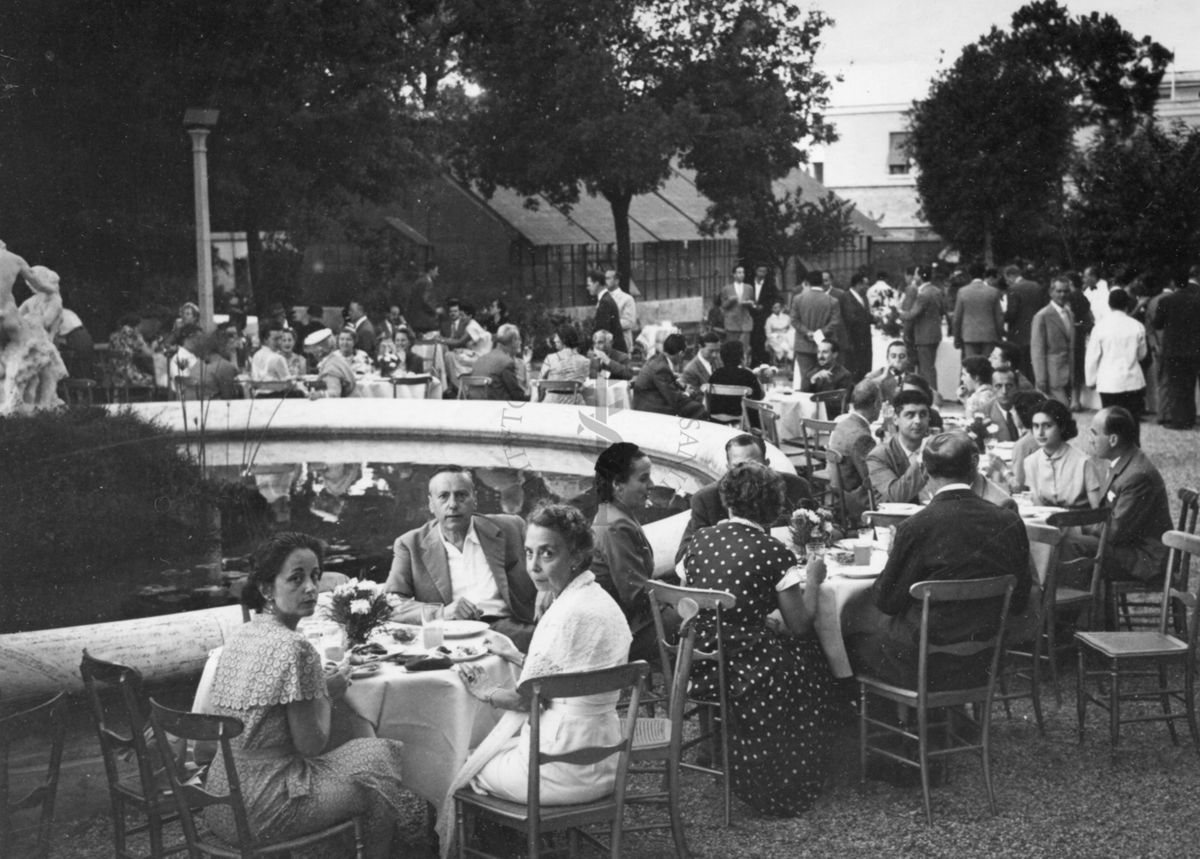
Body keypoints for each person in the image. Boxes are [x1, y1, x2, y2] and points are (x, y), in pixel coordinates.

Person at [439, 503, 631, 852]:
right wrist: (513, 653)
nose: (534, 565)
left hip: (557, 771)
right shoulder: (598, 600)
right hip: (604, 760)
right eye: (529, 552)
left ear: (576, 556)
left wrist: (486, 690)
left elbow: (526, 700)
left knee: (463, 761)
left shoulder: (563, 616)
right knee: (492, 747)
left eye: (548, 553)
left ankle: (498, 845)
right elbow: (568, 673)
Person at [204, 532, 406, 859]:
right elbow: (311, 744)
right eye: (296, 579)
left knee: (355, 745)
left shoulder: (242, 634)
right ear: (267, 589)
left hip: (219, 800)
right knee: (380, 758)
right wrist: (328, 694)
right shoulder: (297, 648)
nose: (311, 588)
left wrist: (317, 690)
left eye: (315, 576)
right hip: (262, 808)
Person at [683, 461, 840, 816]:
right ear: (772, 507)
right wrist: (813, 579)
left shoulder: (701, 539)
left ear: (728, 502)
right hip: (747, 669)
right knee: (811, 657)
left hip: (700, 660)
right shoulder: (772, 551)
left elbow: (692, 592)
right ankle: (794, 768)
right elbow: (799, 625)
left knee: (785, 644)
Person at [849, 432, 1031, 690]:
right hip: (986, 659)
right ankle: (946, 719)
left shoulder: (916, 527)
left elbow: (886, 602)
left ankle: (895, 722)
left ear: (924, 471)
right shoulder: (1009, 521)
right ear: (974, 466)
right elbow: (1020, 599)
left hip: (922, 662)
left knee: (849, 641)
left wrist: (894, 557)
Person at [385, 468, 538, 650]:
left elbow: (547, 560)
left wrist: (546, 590)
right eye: (443, 496)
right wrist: (441, 613)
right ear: (431, 504)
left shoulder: (511, 527)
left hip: (509, 630)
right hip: (450, 638)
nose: (453, 504)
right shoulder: (410, 544)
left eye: (461, 495)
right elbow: (391, 604)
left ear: (475, 499)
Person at [675, 433, 813, 563]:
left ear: (767, 463)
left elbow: (824, 531)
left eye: (753, 465)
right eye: (738, 466)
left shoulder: (796, 487)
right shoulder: (707, 499)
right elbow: (683, 555)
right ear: (727, 468)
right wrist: (718, 538)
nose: (746, 474)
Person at [590, 443, 665, 664]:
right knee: (705, 624)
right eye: (643, 479)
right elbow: (634, 595)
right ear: (617, 484)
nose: (651, 485)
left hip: (625, 619)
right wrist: (679, 598)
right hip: (625, 630)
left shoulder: (612, 513)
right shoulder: (614, 525)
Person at [1088, 407, 1173, 584]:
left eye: (1094, 434)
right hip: (1130, 549)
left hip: (1145, 559)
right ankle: (1092, 610)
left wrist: (1079, 525)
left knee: (1072, 545)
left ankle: (1078, 609)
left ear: (1113, 440)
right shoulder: (1125, 461)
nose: (1090, 440)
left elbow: (1114, 532)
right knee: (1074, 543)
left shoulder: (1136, 475)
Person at [1085, 288, 1147, 426]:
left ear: (1109, 304)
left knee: (1111, 422)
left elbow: (1092, 358)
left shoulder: (1100, 327)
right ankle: (1133, 446)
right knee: (1132, 421)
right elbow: (1142, 355)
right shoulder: (1137, 326)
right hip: (1133, 381)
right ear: (1127, 304)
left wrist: (1091, 380)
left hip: (1109, 382)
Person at [1025, 399, 1101, 510]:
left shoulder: (1083, 462)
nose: (1040, 433)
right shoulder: (1030, 462)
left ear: (1062, 427)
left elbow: (1097, 509)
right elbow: (1037, 505)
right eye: (1036, 426)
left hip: (1080, 522)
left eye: (1047, 426)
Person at [1152, 264, 1200, 429]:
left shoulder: (1166, 301)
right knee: (1190, 384)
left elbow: (1157, 324)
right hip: (1193, 348)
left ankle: (1179, 420)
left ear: (1173, 283)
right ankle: (1190, 417)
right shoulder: (1196, 300)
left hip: (1172, 349)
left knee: (1175, 386)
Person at [829, 379, 882, 523]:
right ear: (877, 404)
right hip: (858, 501)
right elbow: (875, 479)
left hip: (840, 495)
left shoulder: (842, 424)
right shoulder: (862, 437)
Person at [867, 389, 932, 505]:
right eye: (910, 415)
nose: (918, 421)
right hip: (899, 520)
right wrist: (923, 457)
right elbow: (896, 496)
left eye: (923, 415)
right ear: (896, 419)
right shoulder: (879, 456)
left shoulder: (937, 448)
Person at [632, 333, 707, 419]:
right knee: (699, 408)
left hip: (645, 403)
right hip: (651, 410)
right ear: (680, 353)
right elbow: (674, 399)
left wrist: (683, 387)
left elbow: (667, 381)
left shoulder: (657, 358)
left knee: (692, 402)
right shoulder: (661, 369)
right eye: (684, 354)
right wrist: (687, 394)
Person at [898, 264, 945, 396]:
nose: (915, 276)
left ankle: (932, 397)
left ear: (921, 276)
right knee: (929, 368)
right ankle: (931, 395)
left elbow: (912, 314)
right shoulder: (936, 290)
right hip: (934, 334)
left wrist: (899, 312)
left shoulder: (924, 294)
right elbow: (942, 310)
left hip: (924, 336)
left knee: (926, 370)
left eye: (917, 274)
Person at [1030, 275, 1076, 406]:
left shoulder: (1069, 313)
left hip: (1068, 373)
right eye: (1059, 291)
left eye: (1066, 291)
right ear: (1051, 292)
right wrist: (1041, 379)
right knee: (1061, 410)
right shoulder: (1042, 316)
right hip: (1052, 376)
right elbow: (1037, 350)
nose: (1062, 295)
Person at [790, 272, 842, 385]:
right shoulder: (832, 300)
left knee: (806, 378)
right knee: (826, 378)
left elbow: (794, 320)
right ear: (822, 282)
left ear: (807, 282)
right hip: (826, 345)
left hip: (803, 344)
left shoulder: (798, 299)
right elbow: (835, 322)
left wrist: (807, 332)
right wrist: (820, 333)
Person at [1003, 265, 1047, 381]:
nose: (1007, 282)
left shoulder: (1013, 289)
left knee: (1020, 367)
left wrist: (1002, 316)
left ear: (1011, 276)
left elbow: (1012, 313)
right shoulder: (1037, 286)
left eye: (1007, 279)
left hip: (1018, 335)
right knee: (1033, 366)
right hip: (1036, 332)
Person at [953, 261, 1004, 357]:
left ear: (969, 274)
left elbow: (957, 318)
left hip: (969, 336)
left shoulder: (962, 292)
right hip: (989, 336)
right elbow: (999, 317)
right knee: (988, 366)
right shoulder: (993, 292)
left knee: (971, 367)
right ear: (984, 274)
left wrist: (957, 339)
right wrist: (1000, 337)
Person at [468, 323, 526, 401]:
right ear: (513, 340)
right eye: (519, 339)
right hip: (497, 408)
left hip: (475, 407)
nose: (521, 343)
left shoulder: (480, 359)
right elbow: (518, 396)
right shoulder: (507, 362)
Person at [706, 340, 762, 418]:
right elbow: (760, 397)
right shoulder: (748, 375)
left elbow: (709, 400)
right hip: (742, 422)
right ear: (741, 357)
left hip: (717, 420)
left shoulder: (715, 375)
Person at [442, 301, 492, 388]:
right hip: (477, 355)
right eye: (460, 315)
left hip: (480, 359)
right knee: (452, 355)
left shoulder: (472, 327)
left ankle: (459, 386)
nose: (460, 318)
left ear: (470, 316)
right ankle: (458, 384)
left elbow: (459, 342)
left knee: (448, 356)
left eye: (462, 315)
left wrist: (441, 340)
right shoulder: (470, 324)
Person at [186, 324, 241, 400]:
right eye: (232, 344)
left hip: (192, 406)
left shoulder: (199, 362)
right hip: (211, 408)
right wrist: (233, 356)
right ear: (224, 345)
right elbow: (228, 398)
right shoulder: (223, 366)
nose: (236, 347)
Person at [538, 324, 590, 403]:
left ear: (564, 339)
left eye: (557, 337)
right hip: (575, 404)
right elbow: (582, 383)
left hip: (551, 405)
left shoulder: (550, 358)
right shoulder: (585, 361)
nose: (554, 340)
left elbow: (541, 382)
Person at [1007, 391, 1047, 492]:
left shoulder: (1023, 444)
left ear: (1021, 414)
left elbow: (1018, 487)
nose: (1012, 416)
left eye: (1014, 412)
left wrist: (1003, 470)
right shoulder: (1049, 436)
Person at [106, 313, 156, 387]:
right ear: (136, 325)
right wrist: (154, 344)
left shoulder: (114, 335)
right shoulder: (133, 334)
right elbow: (149, 354)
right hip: (128, 376)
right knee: (154, 380)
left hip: (114, 376)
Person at [304, 328, 356, 399]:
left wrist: (319, 394)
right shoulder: (335, 359)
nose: (312, 355)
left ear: (319, 351)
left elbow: (335, 393)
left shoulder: (331, 368)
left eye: (312, 352)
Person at [841, 273, 874, 382]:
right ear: (858, 284)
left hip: (864, 342)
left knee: (864, 371)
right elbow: (851, 319)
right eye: (866, 284)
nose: (867, 287)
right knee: (854, 372)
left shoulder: (864, 298)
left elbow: (866, 315)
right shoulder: (846, 297)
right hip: (853, 342)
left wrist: (875, 319)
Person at [807, 340, 853, 417]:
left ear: (834, 354)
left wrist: (829, 382)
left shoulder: (844, 375)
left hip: (832, 418)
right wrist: (813, 381)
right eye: (818, 352)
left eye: (824, 352)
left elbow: (841, 403)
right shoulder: (813, 372)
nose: (820, 356)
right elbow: (804, 397)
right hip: (812, 415)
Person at [587, 270, 626, 354]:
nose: (587, 288)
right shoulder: (605, 299)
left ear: (597, 283)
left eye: (589, 285)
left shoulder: (605, 301)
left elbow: (602, 330)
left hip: (614, 352)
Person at [749, 264, 781, 366]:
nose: (761, 274)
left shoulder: (770, 285)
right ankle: (753, 363)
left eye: (764, 272)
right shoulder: (749, 283)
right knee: (752, 339)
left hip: (764, 316)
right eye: (760, 271)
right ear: (756, 271)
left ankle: (764, 363)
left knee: (763, 339)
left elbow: (774, 299)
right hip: (751, 315)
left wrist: (764, 306)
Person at [720, 264, 755, 351]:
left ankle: (744, 364)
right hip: (732, 322)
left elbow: (753, 303)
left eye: (743, 272)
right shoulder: (727, 289)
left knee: (744, 349)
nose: (742, 274)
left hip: (745, 322)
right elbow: (723, 305)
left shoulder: (749, 288)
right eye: (739, 272)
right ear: (734, 274)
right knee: (732, 349)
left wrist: (750, 303)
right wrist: (730, 300)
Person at [865, 340, 908, 406]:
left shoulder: (913, 378)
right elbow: (862, 391)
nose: (897, 360)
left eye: (902, 356)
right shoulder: (875, 376)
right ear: (887, 358)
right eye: (893, 356)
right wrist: (882, 377)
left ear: (907, 359)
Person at [987, 367, 1025, 442]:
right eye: (998, 386)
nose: (1004, 391)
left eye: (1009, 386)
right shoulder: (985, 412)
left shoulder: (1028, 409)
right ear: (992, 388)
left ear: (1017, 387)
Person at [604, 268, 637, 345]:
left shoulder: (627, 299)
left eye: (608, 278)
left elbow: (629, 322)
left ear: (616, 281)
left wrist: (608, 323)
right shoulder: (603, 298)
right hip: (605, 343)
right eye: (604, 278)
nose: (605, 281)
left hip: (622, 342)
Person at [764, 299, 795, 366]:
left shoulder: (786, 317)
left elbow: (791, 328)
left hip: (786, 336)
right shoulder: (769, 319)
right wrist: (777, 335)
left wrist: (786, 334)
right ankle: (781, 359)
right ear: (772, 309)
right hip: (775, 337)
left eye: (778, 307)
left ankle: (790, 359)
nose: (777, 309)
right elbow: (768, 333)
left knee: (791, 339)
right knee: (777, 342)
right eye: (775, 308)